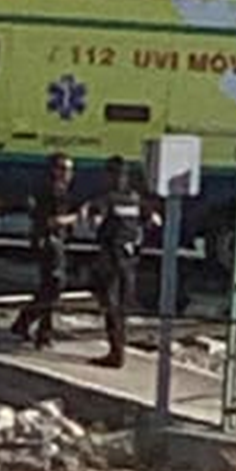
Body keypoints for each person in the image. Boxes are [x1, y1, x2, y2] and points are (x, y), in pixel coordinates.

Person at [83, 156, 153, 368]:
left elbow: (94, 222)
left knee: (111, 306)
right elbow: (151, 220)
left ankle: (116, 353)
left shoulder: (107, 199)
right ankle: (118, 351)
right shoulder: (135, 198)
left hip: (111, 259)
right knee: (121, 308)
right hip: (129, 260)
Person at [10, 153, 78, 349]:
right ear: (55, 170)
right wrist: (76, 217)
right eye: (65, 169)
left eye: (70, 170)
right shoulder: (51, 191)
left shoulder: (61, 190)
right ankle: (27, 323)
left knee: (48, 287)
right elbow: (52, 220)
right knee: (54, 285)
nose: (69, 174)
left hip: (56, 240)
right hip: (50, 242)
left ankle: (42, 332)